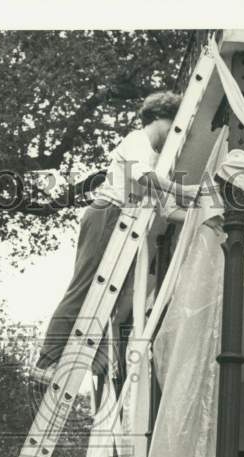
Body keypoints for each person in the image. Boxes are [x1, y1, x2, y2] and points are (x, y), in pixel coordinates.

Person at [34, 91, 198, 383]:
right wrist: (187, 191)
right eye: (173, 125)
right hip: (108, 214)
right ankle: (46, 360)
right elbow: (142, 177)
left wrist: (204, 215)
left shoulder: (155, 160)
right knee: (84, 286)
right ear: (159, 118)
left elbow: (168, 210)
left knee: (121, 291)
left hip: (123, 223)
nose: (173, 134)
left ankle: (95, 355)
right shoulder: (138, 140)